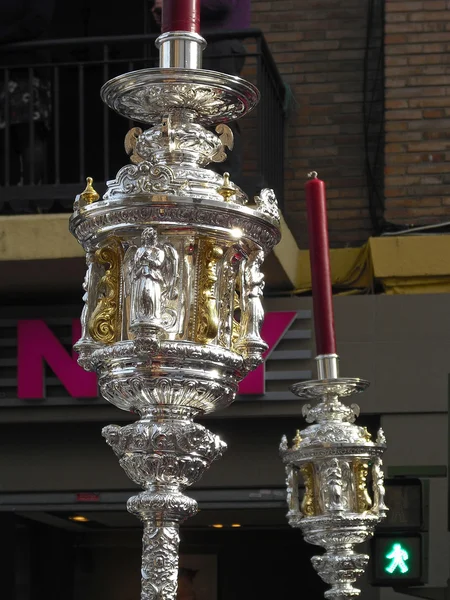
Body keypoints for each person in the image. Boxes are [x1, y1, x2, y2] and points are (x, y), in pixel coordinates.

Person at [151, 0, 250, 186]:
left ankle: (225, 176)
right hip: (195, 46)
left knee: (219, 111)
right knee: (184, 108)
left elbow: (222, 4)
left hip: (219, 45)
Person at [0, 0, 55, 191]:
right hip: (11, 69)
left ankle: (30, 197)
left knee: (29, 135)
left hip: (27, 71)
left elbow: (37, 21)